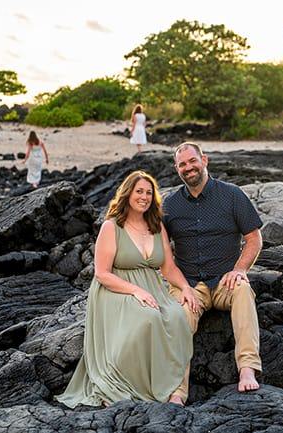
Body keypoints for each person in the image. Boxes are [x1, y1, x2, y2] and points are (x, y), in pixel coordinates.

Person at [56, 171, 199, 408]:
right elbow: (102, 273)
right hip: (116, 289)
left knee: (177, 316)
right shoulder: (112, 227)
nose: (144, 197)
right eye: (139, 191)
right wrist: (136, 291)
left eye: (149, 193)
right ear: (128, 194)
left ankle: (171, 388)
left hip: (153, 288)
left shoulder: (156, 227)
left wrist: (185, 287)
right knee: (148, 318)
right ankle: (128, 386)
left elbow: (168, 267)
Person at [163, 142, 263, 401]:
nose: (188, 168)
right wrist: (183, 288)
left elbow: (254, 238)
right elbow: (162, 254)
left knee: (243, 290)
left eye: (192, 161)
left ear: (204, 160)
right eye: (182, 164)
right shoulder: (170, 205)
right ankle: (177, 391)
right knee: (180, 316)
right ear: (177, 169)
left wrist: (240, 270)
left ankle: (247, 370)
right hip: (189, 285)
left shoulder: (232, 195)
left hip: (224, 282)